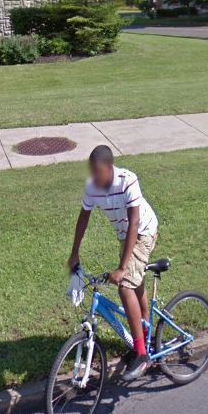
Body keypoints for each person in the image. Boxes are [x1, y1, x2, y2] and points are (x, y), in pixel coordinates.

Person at [67, 145, 160, 381]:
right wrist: (74, 252)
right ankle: (146, 337)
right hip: (125, 236)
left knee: (126, 286)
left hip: (143, 232)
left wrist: (122, 268)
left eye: (98, 171)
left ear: (109, 168)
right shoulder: (92, 187)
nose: (94, 177)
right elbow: (84, 216)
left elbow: (135, 222)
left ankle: (141, 354)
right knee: (135, 284)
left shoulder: (128, 181)